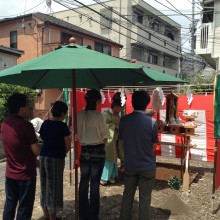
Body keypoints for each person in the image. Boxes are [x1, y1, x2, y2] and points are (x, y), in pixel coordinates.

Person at [119, 91, 158, 220]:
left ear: (132, 102)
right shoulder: (152, 123)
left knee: (127, 196)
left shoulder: (124, 120)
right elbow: (153, 147)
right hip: (147, 166)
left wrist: (124, 159)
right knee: (145, 200)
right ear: (147, 104)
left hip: (130, 164)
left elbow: (121, 144)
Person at [1, 93, 40, 220]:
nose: (29, 109)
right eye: (27, 106)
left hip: (10, 173)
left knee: (10, 205)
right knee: (24, 208)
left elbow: (17, 147)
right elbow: (36, 150)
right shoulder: (26, 126)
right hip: (26, 175)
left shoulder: (5, 124)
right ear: (21, 108)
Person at [77, 89, 108, 220]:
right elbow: (105, 136)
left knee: (84, 182)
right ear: (97, 101)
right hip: (98, 150)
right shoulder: (99, 116)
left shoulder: (79, 115)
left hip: (84, 150)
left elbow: (77, 134)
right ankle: (93, 215)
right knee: (94, 184)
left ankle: (82, 214)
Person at [39, 101, 71, 220]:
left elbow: (42, 138)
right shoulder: (62, 126)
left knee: (44, 185)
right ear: (62, 113)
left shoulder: (45, 123)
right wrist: (63, 152)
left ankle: (46, 214)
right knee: (54, 186)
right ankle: (53, 216)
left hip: (43, 157)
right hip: (56, 158)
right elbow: (68, 145)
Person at [100, 92, 125, 186]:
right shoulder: (105, 114)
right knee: (108, 158)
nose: (120, 110)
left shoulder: (117, 115)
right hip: (108, 140)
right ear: (115, 106)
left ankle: (111, 176)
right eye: (119, 108)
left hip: (116, 139)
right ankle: (104, 178)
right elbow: (104, 126)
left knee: (114, 158)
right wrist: (115, 126)